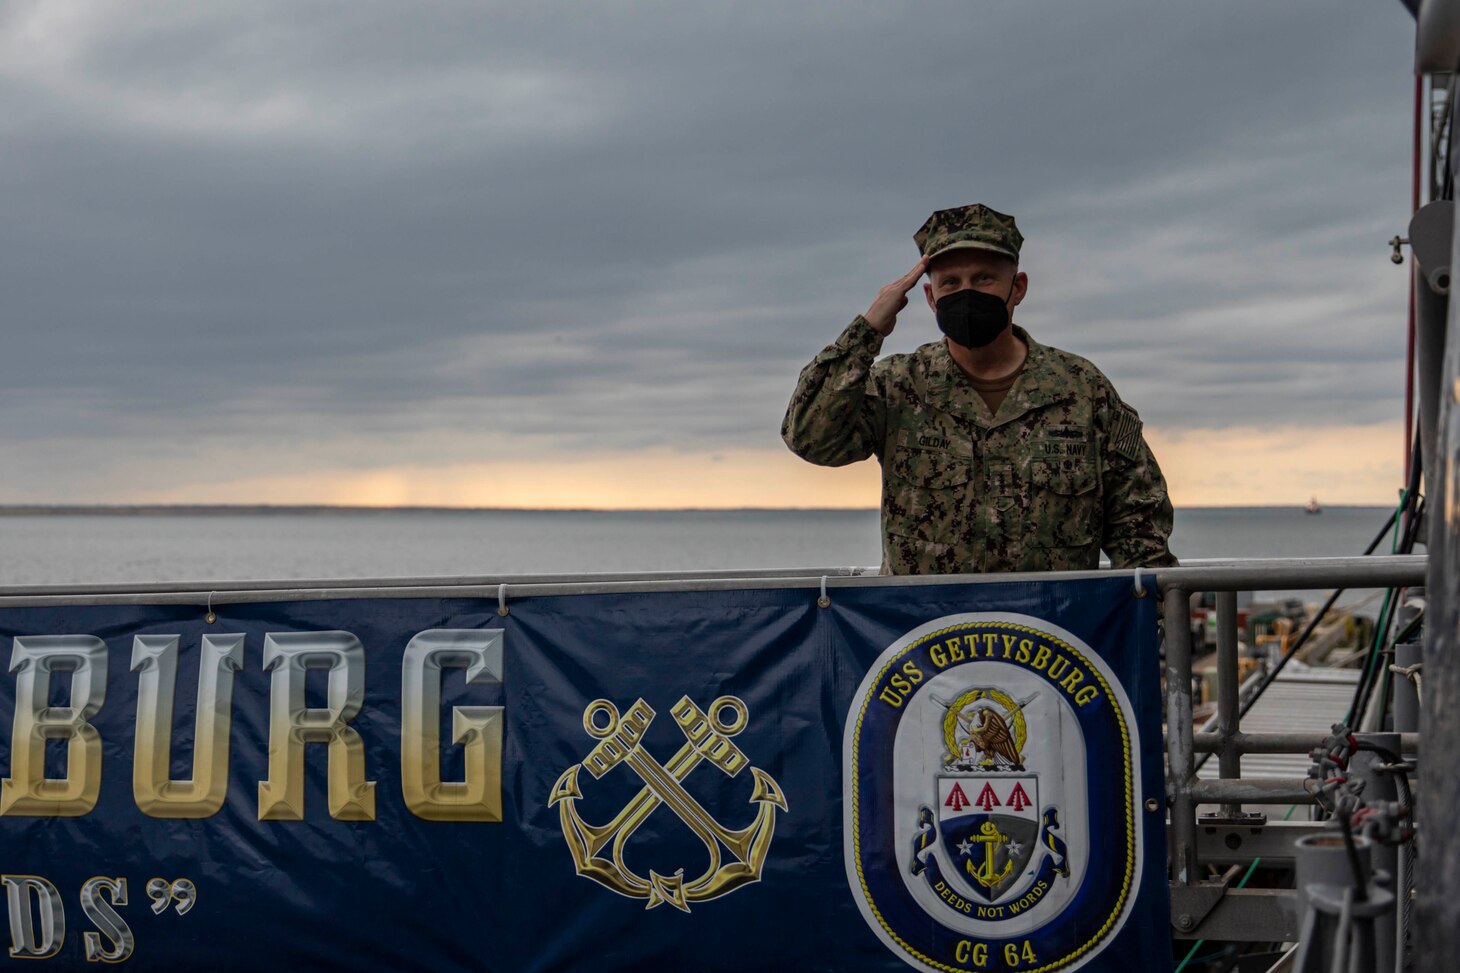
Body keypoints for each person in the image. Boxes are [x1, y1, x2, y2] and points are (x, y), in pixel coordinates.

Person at [781, 203, 1176, 574]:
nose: (966, 292)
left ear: (1017, 288)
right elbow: (811, 438)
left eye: (983, 278)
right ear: (930, 297)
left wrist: (1146, 623)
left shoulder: (1083, 390)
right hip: (929, 637)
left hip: (1052, 635)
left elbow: (1138, 527)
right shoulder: (899, 386)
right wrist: (867, 330)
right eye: (950, 282)